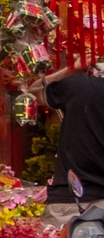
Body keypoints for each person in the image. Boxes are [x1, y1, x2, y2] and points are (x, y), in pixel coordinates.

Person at [43, 58, 104, 215]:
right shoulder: (82, 86)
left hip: (72, 200)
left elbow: (33, 91)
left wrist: (71, 70)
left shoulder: (81, 86)